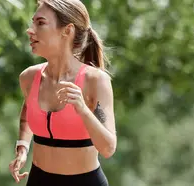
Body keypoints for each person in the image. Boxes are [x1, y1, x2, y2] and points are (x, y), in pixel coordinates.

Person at [8, 0, 116, 185]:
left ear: (67, 30)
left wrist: (82, 109)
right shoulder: (29, 78)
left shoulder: (95, 81)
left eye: (40, 23)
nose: (30, 30)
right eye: (32, 22)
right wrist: (22, 147)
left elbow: (108, 148)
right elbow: (28, 111)